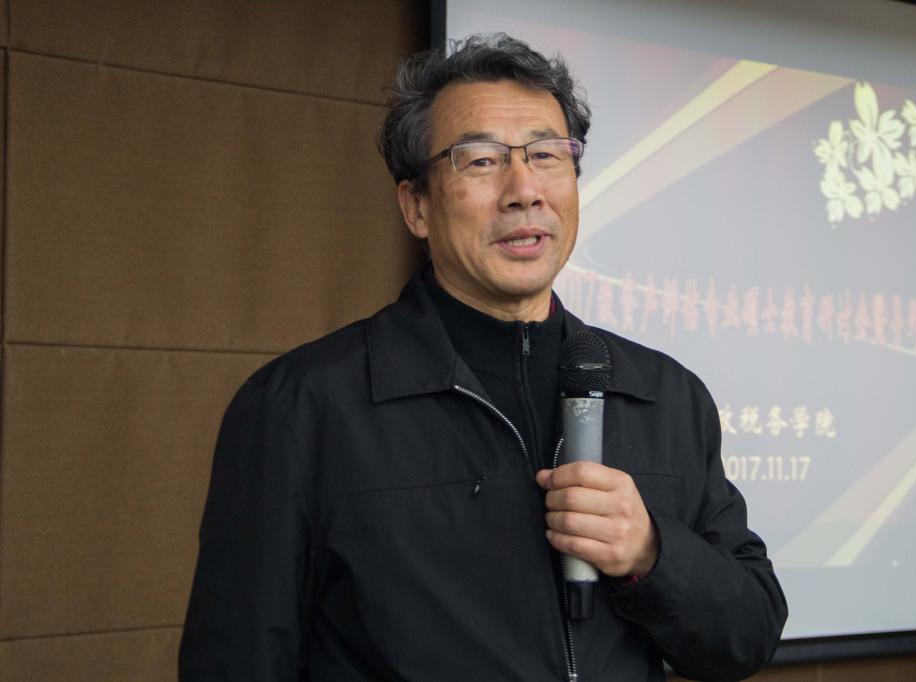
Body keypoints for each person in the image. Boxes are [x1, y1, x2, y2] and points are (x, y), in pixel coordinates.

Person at [180, 33, 786, 682]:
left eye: (546, 155)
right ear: (416, 206)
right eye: (481, 160)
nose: (525, 190)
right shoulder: (302, 406)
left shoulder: (664, 395)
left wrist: (651, 552)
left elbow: (747, 636)